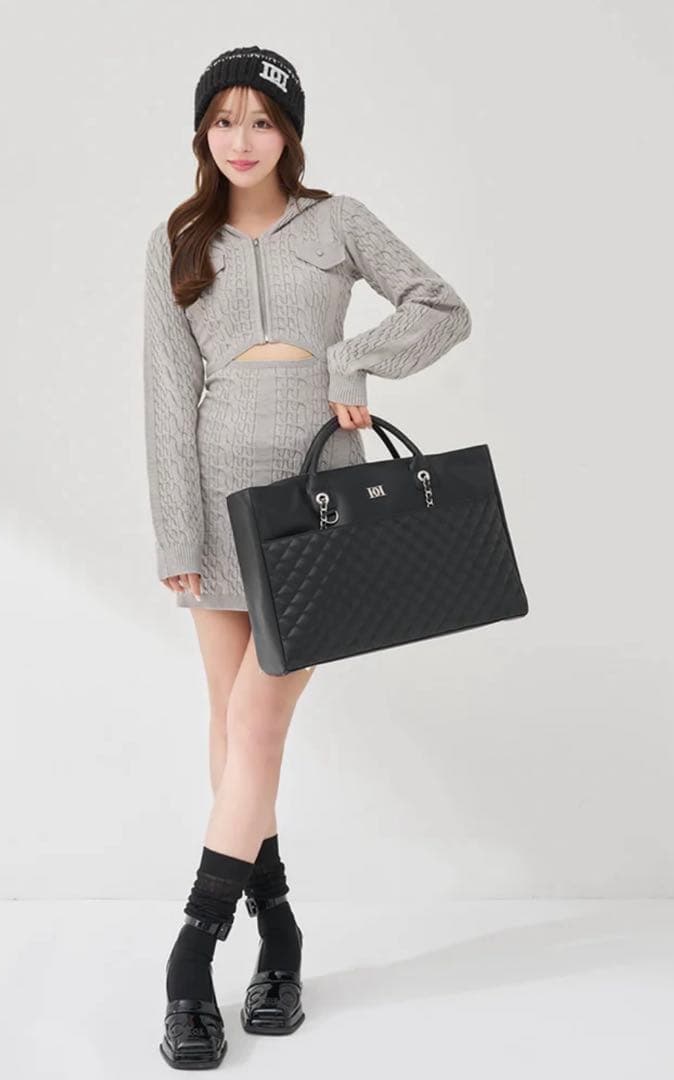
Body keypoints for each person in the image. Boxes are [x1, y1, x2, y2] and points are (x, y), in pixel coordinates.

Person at [143, 45, 472, 1068]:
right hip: (214, 499)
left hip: (320, 496)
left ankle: (193, 951)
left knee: (256, 722)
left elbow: (442, 307)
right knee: (229, 726)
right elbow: (164, 393)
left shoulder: (337, 222)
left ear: (289, 132)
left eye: (261, 120)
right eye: (223, 120)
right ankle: (278, 934)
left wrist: (354, 360)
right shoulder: (178, 238)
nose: (240, 140)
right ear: (202, 130)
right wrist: (176, 532)